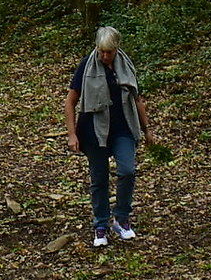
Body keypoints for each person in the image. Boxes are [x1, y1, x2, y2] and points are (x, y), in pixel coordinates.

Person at [62, 25, 152, 248]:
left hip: (123, 127)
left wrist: (147, 129)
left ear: (116, 49)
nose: (104, 55)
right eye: (101, 51)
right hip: (94, 128)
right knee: (99, 178)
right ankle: (100, 223)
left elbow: (137, 98)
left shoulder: (126, 65)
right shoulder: (87, 65)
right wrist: (72, 134)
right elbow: (71, 100)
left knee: (127, 171)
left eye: (108, 52)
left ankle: (121, 218)